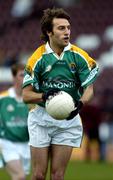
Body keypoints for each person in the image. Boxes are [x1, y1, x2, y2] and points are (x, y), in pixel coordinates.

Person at [22, 8, 99, 180]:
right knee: (39, 175)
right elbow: (26, 95)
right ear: (49, 32)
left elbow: (89, 89)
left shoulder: (79, 56)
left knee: (57, 176)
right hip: (41, 118)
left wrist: (80, 103)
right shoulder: (37, 59)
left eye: (68, 28)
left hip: (68, 119)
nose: (67, 32)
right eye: (61, 28)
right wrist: (44, 95)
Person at [0, 63, 31, 180]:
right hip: (7, 143)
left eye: (27, 75)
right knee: (20, 176)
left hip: (26, 145)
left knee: (20, 177)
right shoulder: (3, 98)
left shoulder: (32, 100)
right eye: (21, 75)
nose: (25, 78)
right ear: (13, 78)